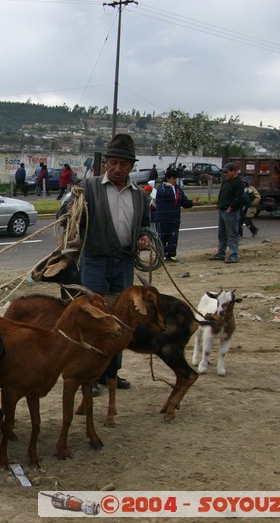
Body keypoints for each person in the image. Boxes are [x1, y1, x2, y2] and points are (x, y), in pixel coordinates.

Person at [65, 134, 151, 395]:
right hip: (94, 261)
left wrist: (144, 236)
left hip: (124, 263)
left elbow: (145, 224)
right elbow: (66, 213)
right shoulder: (88, 187)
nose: (117, 169)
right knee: (93, 316)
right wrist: (72, 208)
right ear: (105, 164)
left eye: (123, 165)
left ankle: (110, 374)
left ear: (131, 167)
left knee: (121, 319)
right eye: (112, 163)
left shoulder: (139, 196)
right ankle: (88, 377)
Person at [154, 167, 196, 263]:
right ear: (168, 178)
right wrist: (170, 187)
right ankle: (161, 256)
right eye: (173, 178)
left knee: (173, 237)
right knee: (162, 237)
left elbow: (183, 202)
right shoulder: (162, 188)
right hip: (163, 218)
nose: (175, 180)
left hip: (175, 218)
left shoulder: (177, 189)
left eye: (176, 178)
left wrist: (192, 202)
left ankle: (171, 255)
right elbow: (166, 195)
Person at [209, 163, 245, 264]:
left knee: (232, 234)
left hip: (231, 212)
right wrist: (219, 205)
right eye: (224, 172)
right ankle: (221, 253)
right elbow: (222, 193)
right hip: (222, 210)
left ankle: (234, 255)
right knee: (222, 234)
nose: (225, 174)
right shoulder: (225, 182)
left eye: (227, 172)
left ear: (233, 171)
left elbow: (238, 198)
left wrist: (230, 208)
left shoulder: (238, 183)